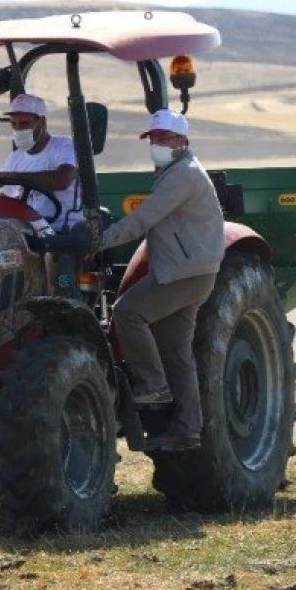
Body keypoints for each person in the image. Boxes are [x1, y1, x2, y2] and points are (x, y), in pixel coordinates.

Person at [98, 109, 225, 451]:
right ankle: (187, 428)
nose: (157, 144)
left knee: (127, 313)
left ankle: (152, 385)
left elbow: (145, 218)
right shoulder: (179, 170)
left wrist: (100, 241)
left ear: (183, 141)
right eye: (153, 139)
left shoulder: (182, 175)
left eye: (165, 138)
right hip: (196, 271)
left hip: (183, 273)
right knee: (177, 351)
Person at [0, 93, 84, 232]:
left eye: (24, 124)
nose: (18, 129)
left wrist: (13, 177)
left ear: (41, 122)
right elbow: (6, 199)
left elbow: (62, 180)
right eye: (14, 124)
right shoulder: (14, 158)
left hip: (65, 230)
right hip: (32, 231)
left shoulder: (63, 146)